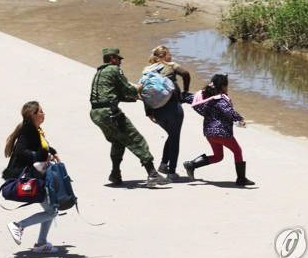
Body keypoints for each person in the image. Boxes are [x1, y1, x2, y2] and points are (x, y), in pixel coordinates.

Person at [89, 48, 168, 187]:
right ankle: (152, 173)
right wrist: (141, 87)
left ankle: (115, 173)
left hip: (96, 114)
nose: (120, 62)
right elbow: (128, 89)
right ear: (112, 58)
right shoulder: (114, 69)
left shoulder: (99, 72)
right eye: (119, 59)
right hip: (109, 112)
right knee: (136, 139)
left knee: (118, 141)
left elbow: (116, 94)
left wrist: (135, 98)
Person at [3, 101, 60, 253]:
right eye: (41, 111)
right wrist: (39, 155)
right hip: (27, 177)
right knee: (52, 210)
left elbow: (40, 147)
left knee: (51, 208)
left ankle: (41, 243)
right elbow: (21, 151)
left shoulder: (36, 130)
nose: (44, 114)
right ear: (32, 115)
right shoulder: (28, 131)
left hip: (37, 176)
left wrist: (51, 152)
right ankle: (18, 225)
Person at [183, 74, 254, 186]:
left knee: (218, 156)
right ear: (223, 86)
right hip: (221, 132)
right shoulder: (220, 99)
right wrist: (240, 119)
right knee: (237, 151)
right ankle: (241, 179)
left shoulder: (206, 97)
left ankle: (192, 165)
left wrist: (181, 97)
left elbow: (190, 99)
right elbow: (229, 112)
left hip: (209, 132)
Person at [143, 45, 191, 181]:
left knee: (172, 134)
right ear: (164, 55)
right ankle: (172, 172)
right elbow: (186, 74)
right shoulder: (171, 65)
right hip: (173, 107)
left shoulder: (147, 71)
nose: (171, 56)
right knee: (175, 138)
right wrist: (185, 91)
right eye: (169, 54)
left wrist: (149, 112)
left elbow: (145, 91)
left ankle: (164, 165)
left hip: (157, 110)